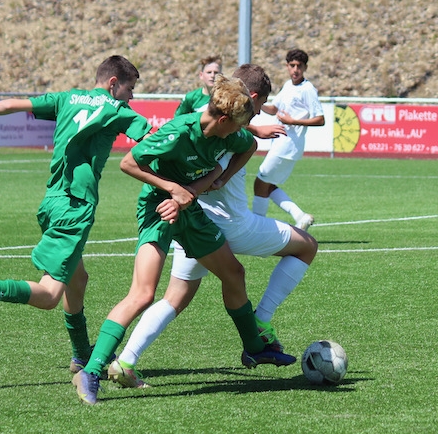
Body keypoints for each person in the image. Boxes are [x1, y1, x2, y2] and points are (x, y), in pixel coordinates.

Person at [72, 74, 295, 405]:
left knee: (234, 273)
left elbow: (248, 146)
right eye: (237, 125)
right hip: (158, 209)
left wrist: (215, 180)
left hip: (189, 209)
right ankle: (91, 372)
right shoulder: (178, 132)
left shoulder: (230, 134)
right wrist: (172, 189)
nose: (240, 131)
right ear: (222, 120)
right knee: (143, 293)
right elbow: (129, 163)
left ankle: (255, 348)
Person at [0, 55, 152, 373]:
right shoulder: (116, 110)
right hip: (75, 207)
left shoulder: (66, 98)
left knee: (78, 279)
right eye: (130, 89)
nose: (131, 97)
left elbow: (14, 104)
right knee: (49, 295)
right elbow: (155, 140)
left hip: (52, 202)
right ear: (113, 83)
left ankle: (81, 355)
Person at [251, 48, 324, 230]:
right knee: (267, 185)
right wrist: (257, 102)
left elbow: (320, 119)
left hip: (288, 144)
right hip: (281, 142)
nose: (295, 70)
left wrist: (293, 121)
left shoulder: (308, 90)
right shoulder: (287, 85)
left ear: (305, 67)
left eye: (299, 66)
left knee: (260, 183)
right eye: (292, 65)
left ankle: (257, 226)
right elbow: (275, 109)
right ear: (287, 66)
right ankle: (300, 216)